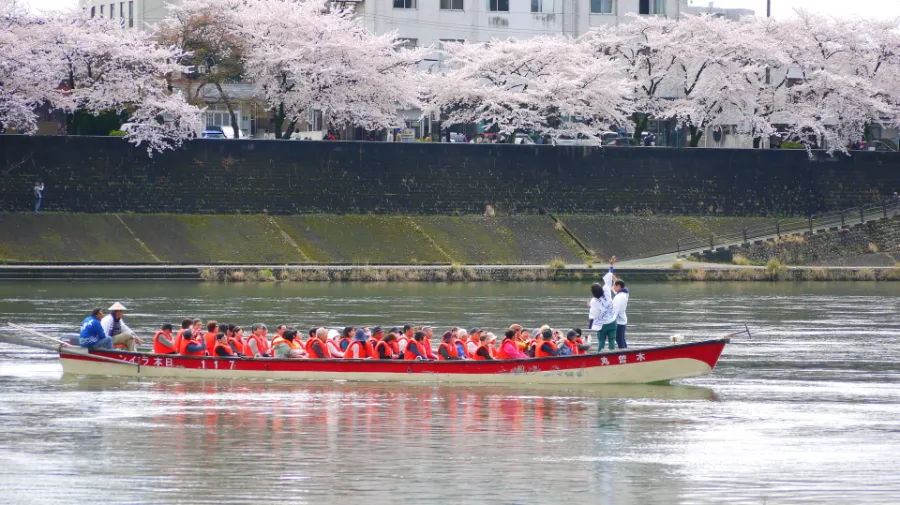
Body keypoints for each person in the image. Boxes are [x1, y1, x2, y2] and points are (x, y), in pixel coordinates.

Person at [590, 257, 618, 351]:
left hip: (602, 325)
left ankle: (599, 357)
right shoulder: (606, 290)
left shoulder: (594, 301)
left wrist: (590, 306)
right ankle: (612, 357)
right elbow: (610, 276)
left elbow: (594, 315)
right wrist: (611, 265)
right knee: (612, 341)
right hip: (612, 321)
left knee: (601, 342)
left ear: (593, 293)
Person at [613, 279, 630, 349]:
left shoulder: (619, 297)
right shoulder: (625, 293)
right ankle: (626, 352)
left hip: (618, 322)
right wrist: (614, 279)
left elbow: (615, 310)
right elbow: (615, 290)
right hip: (622, 320)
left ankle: (623, 354)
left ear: (619, 286)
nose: (613, 287)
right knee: (622, 339)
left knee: (619, 340)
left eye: (614, 286)